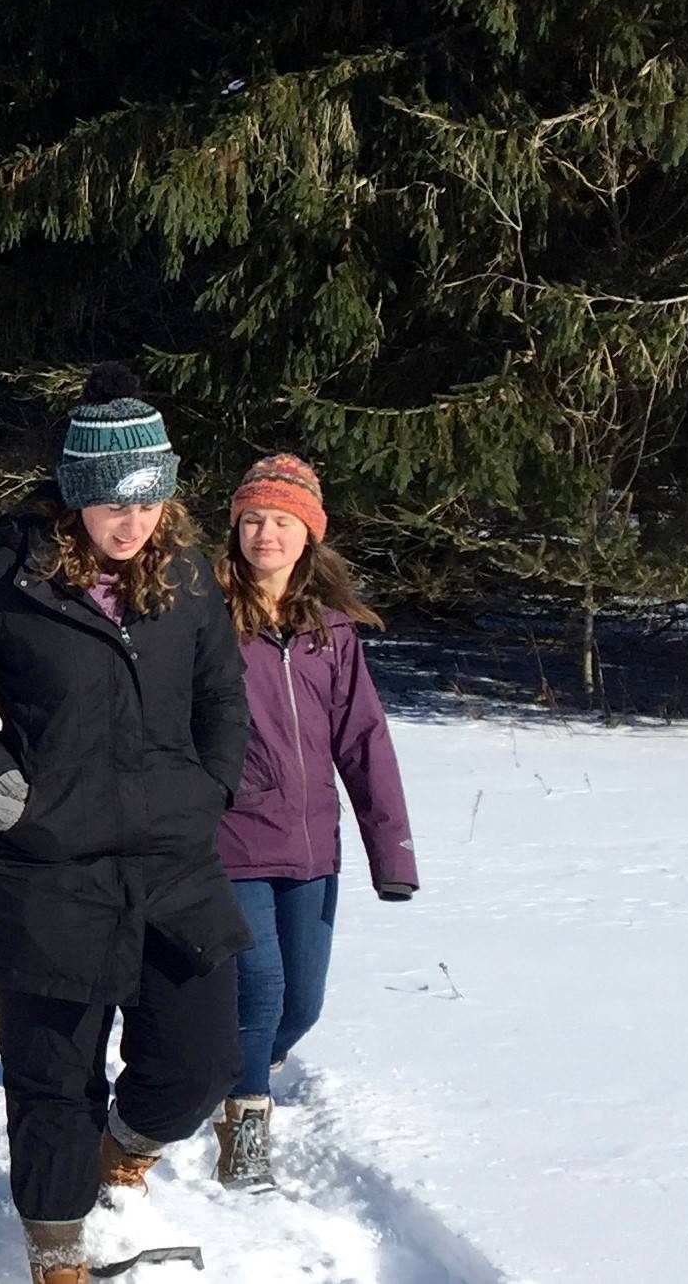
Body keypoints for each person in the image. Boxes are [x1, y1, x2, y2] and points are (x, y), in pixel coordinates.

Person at [0, 366, 250, 1284]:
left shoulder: (188, 579)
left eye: (146, 503)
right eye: (107, 505)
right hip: (48, 865)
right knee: (53, 1078)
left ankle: (124, 1143)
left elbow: (220, 694)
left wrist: (209, 785)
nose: (128, 525)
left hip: (173, 861)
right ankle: (56, 1246)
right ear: (73, 496)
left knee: (200, 1059)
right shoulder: (9, 578)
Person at [210, 454, 417, 1190]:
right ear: (234, 528)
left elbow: (364, 742)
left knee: (300, 1005)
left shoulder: (330, 632)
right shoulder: (202, 616)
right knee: (259, 985)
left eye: (282, 522)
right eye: (253, 519)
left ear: (308, 537)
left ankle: (233, 1063)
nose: (265, 534)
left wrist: (389, 853)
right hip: (227, 836)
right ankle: (243, 1123)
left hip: (310, 846)